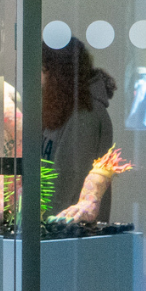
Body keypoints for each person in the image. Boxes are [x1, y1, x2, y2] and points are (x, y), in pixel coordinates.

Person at [41, 37, 116, 217]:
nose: (39, 79)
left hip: (69, 232)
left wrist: (45, 228)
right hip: (58, 231)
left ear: (57, 74)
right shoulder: (64, 110)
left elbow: (67, 181)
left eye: (43, 70)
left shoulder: (85, 114)